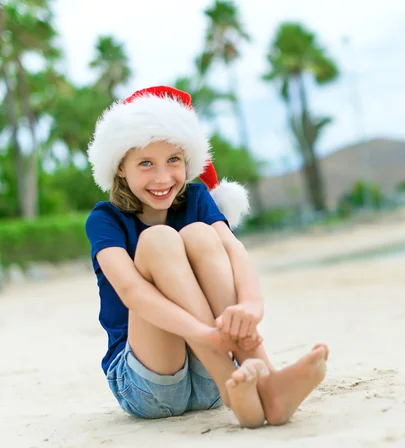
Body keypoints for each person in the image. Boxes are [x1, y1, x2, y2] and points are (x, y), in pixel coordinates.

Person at [85, 85, 329, 428]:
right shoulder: (105, 220)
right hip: (150, 383)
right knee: (157, 240)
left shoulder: (197, 199)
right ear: (120, 168)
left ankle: (267, 383)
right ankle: (240, 386)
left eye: (173, 160)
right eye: (145, 163)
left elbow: (234, 250)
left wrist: (250, 308)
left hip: (215, 381)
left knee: (201, 233)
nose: (162, 177)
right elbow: (132, 293)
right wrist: (208, 336)